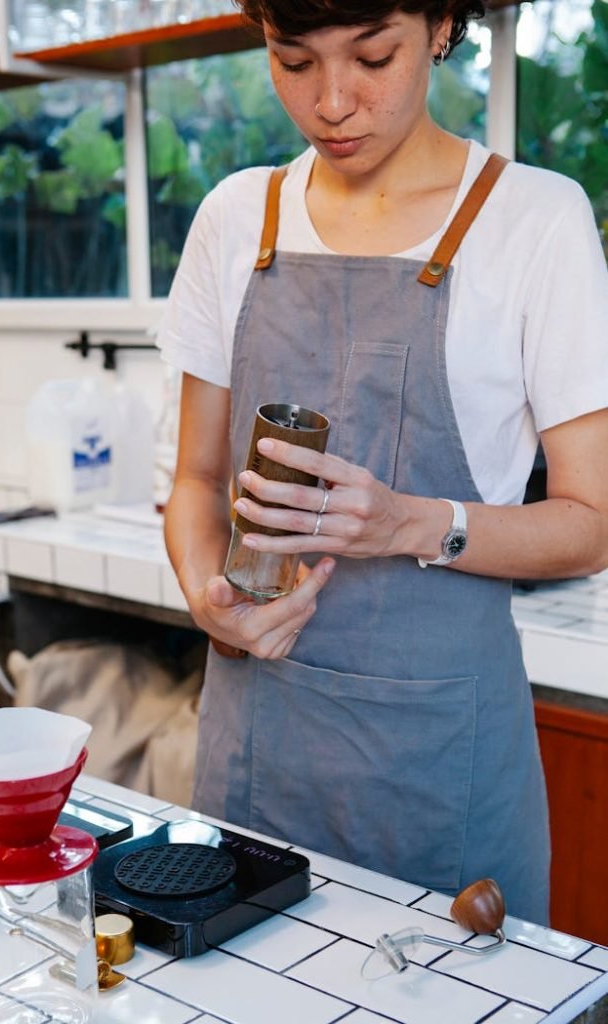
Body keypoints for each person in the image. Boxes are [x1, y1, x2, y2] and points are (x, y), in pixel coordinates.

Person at [159, 0, 608, 925]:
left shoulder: (535, 221)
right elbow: (196, 483)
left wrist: (410, 521)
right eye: (293, 62)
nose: (331, 102)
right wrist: (209, 596)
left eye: (373, 57)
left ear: (441, 27)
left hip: (440, 766)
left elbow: (591, 523)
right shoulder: (237, 218)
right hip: (255, 743)